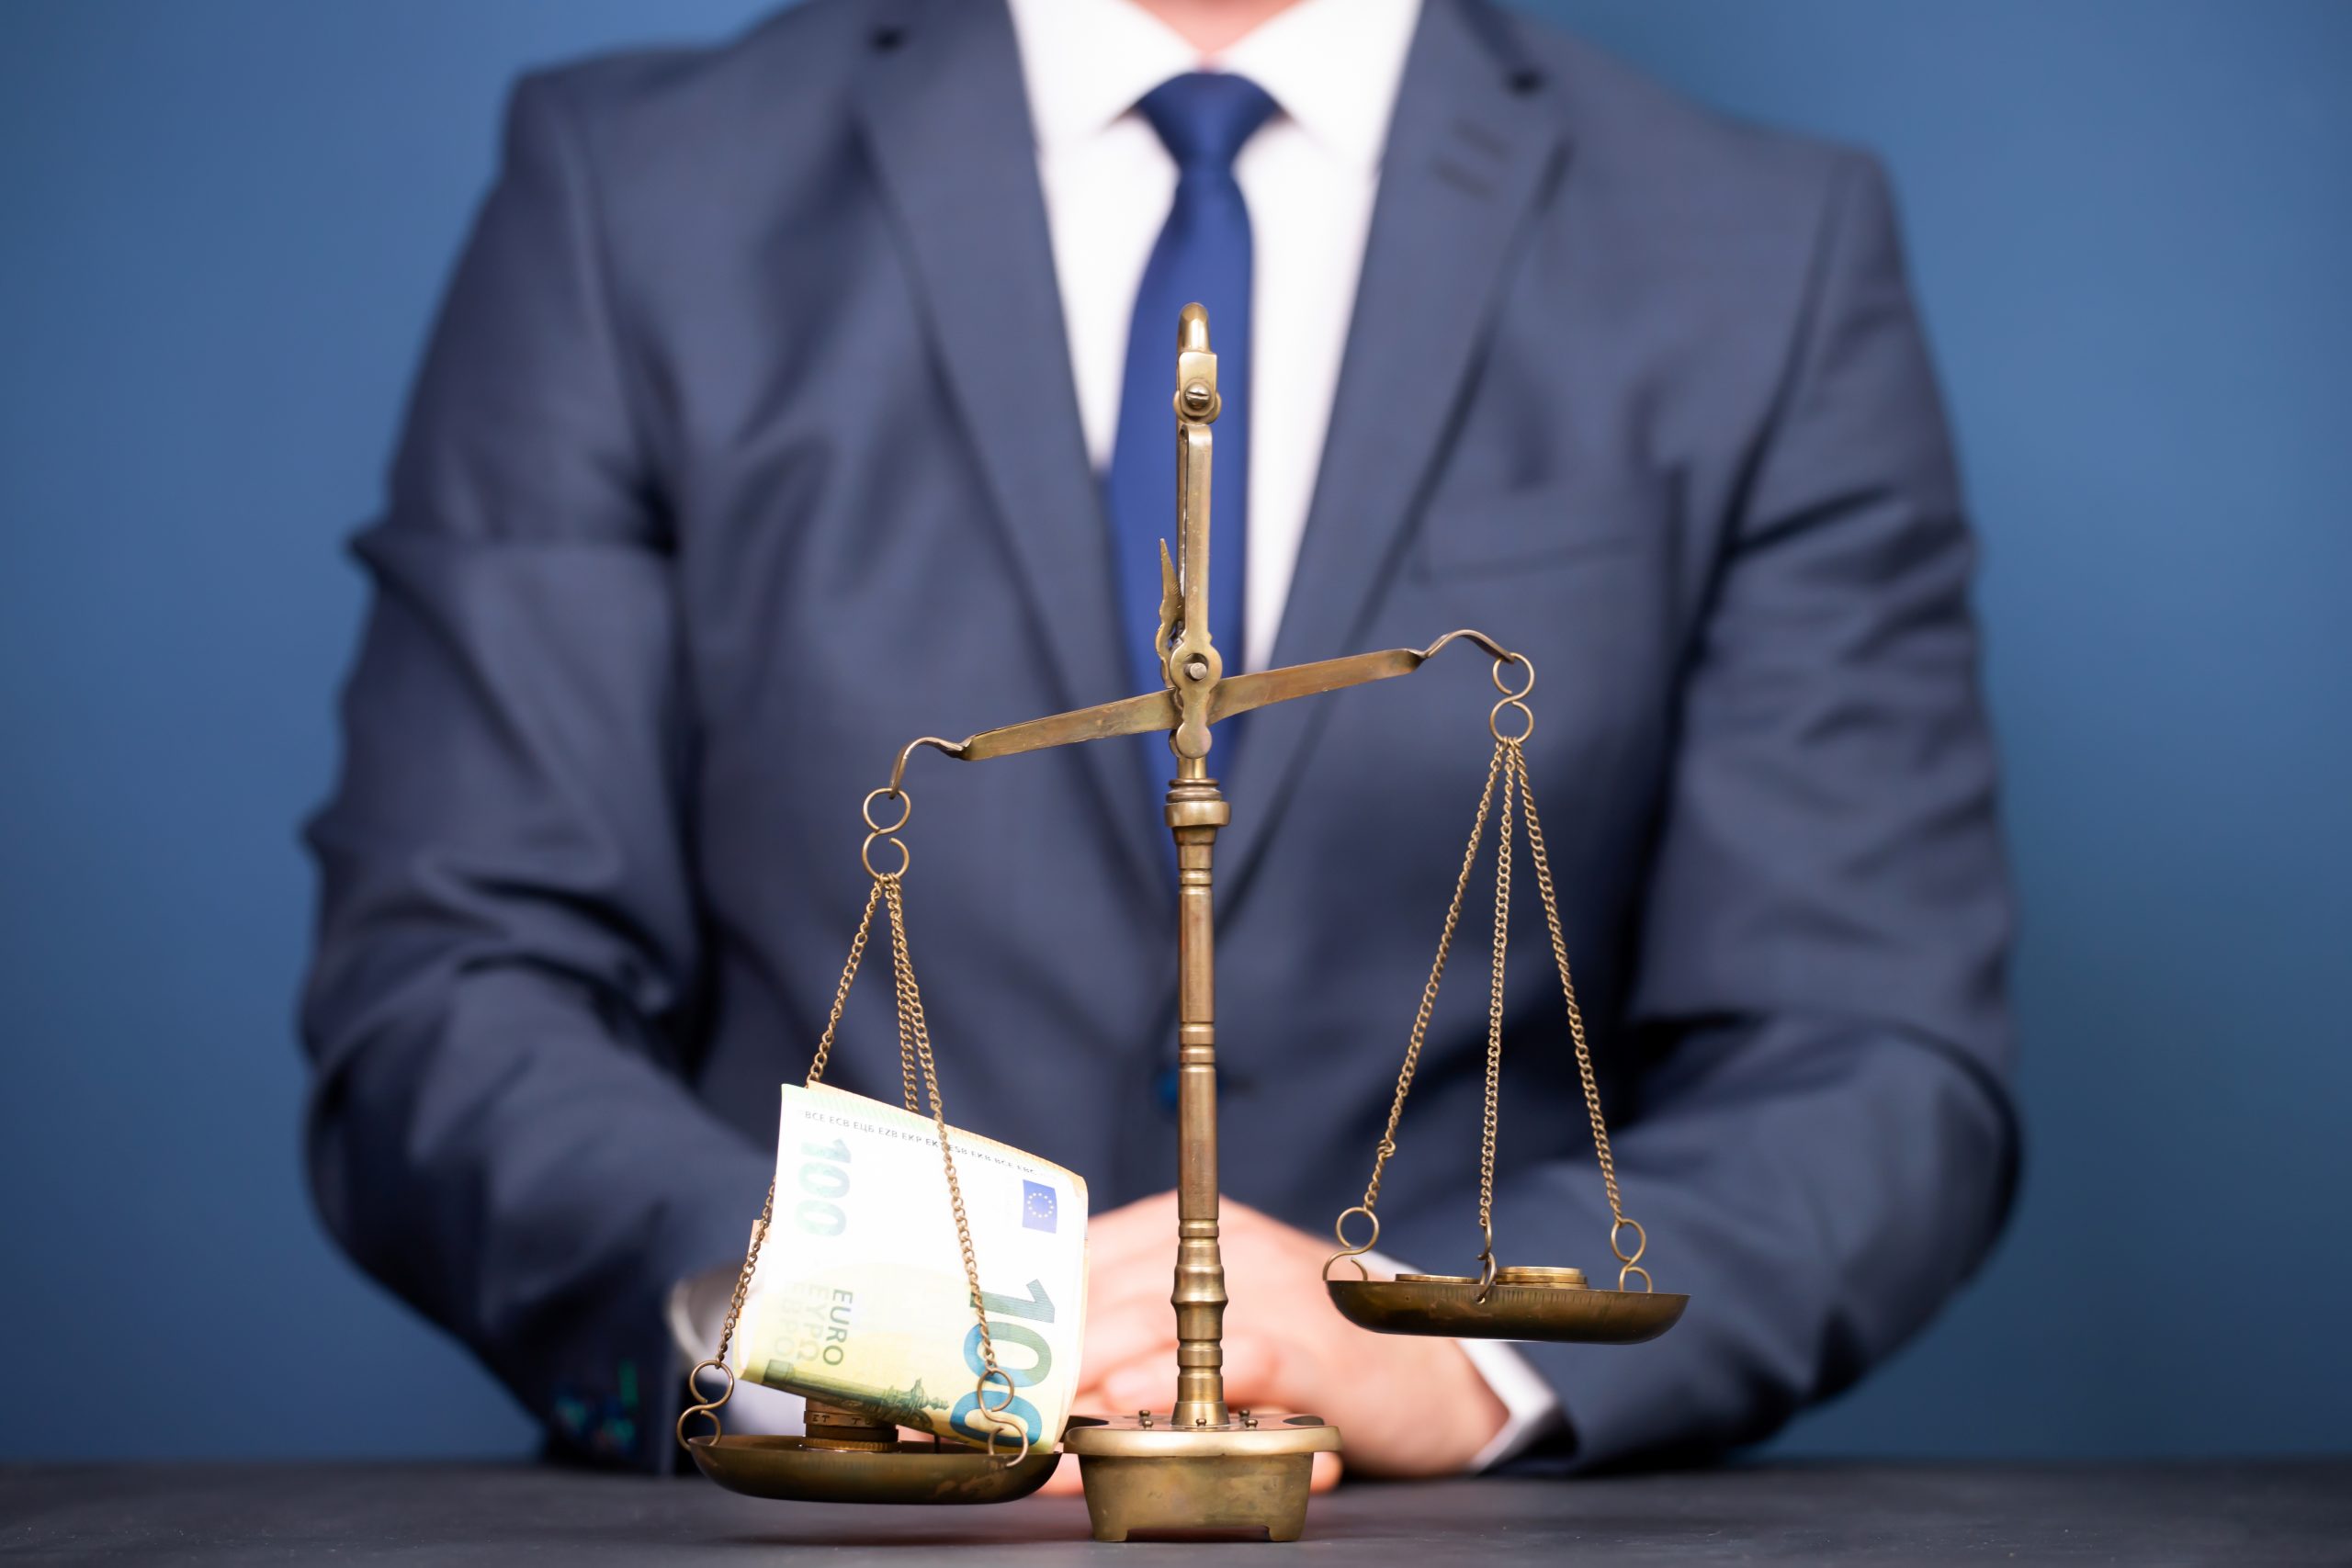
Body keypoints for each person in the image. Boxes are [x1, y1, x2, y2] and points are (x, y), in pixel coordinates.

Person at [301, 0, 2016, 1483]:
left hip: (1460, 1536)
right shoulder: (642, 196)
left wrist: (1445, 1358)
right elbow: (450, 981)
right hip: (833, 1532)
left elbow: (1873, 1054)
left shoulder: (1755, 250)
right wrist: (850, 1317)